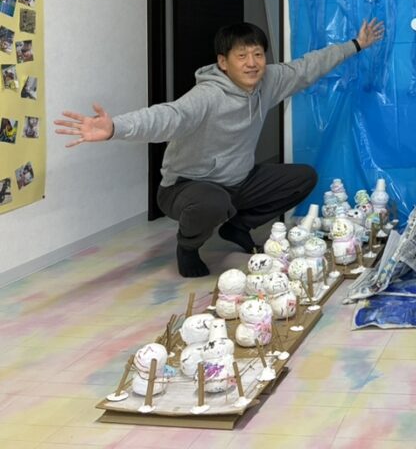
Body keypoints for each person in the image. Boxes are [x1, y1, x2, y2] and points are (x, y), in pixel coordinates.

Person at [55, 19, 385, 277]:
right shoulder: (208, 96)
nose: (252, 63)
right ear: (223, 62)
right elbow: (168, 116)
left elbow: (307, 67)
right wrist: (115, 127)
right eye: (242, 56)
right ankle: (187, 247)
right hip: (185, 187)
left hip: (237, 181)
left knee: (303, 177)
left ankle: (237, 226)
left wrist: (356, 44)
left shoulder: (268, 81)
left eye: (258, 54)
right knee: (212, 202)